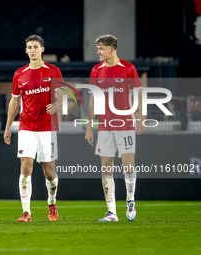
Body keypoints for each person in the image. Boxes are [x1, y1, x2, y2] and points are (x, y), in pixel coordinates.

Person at [4, 35, 65, 222]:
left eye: (35, 47)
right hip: (26, 126)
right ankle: (26, 212)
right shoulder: (19, 74)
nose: (32, 50)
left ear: (42, 49)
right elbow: (15, 101)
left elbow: (62, 94)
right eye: (29, 47)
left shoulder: (53, 71)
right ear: (26, 50)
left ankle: (52, 203)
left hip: (47, 127)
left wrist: (56, 105)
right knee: (25, 168)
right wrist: (7, 127)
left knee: (49, 174)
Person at [85, 34, 146, 222]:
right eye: (98, 48)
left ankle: (130, 200)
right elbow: (93, 99)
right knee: (106, 167)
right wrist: (89, 125)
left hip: (125, 124)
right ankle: (112, 212)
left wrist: (141, 116)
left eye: (101, 48)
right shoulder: (96, 70)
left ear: (112, 49)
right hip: (104, 126)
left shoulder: (128, 68)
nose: (98, 52)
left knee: (128, 164)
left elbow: (138, 93)